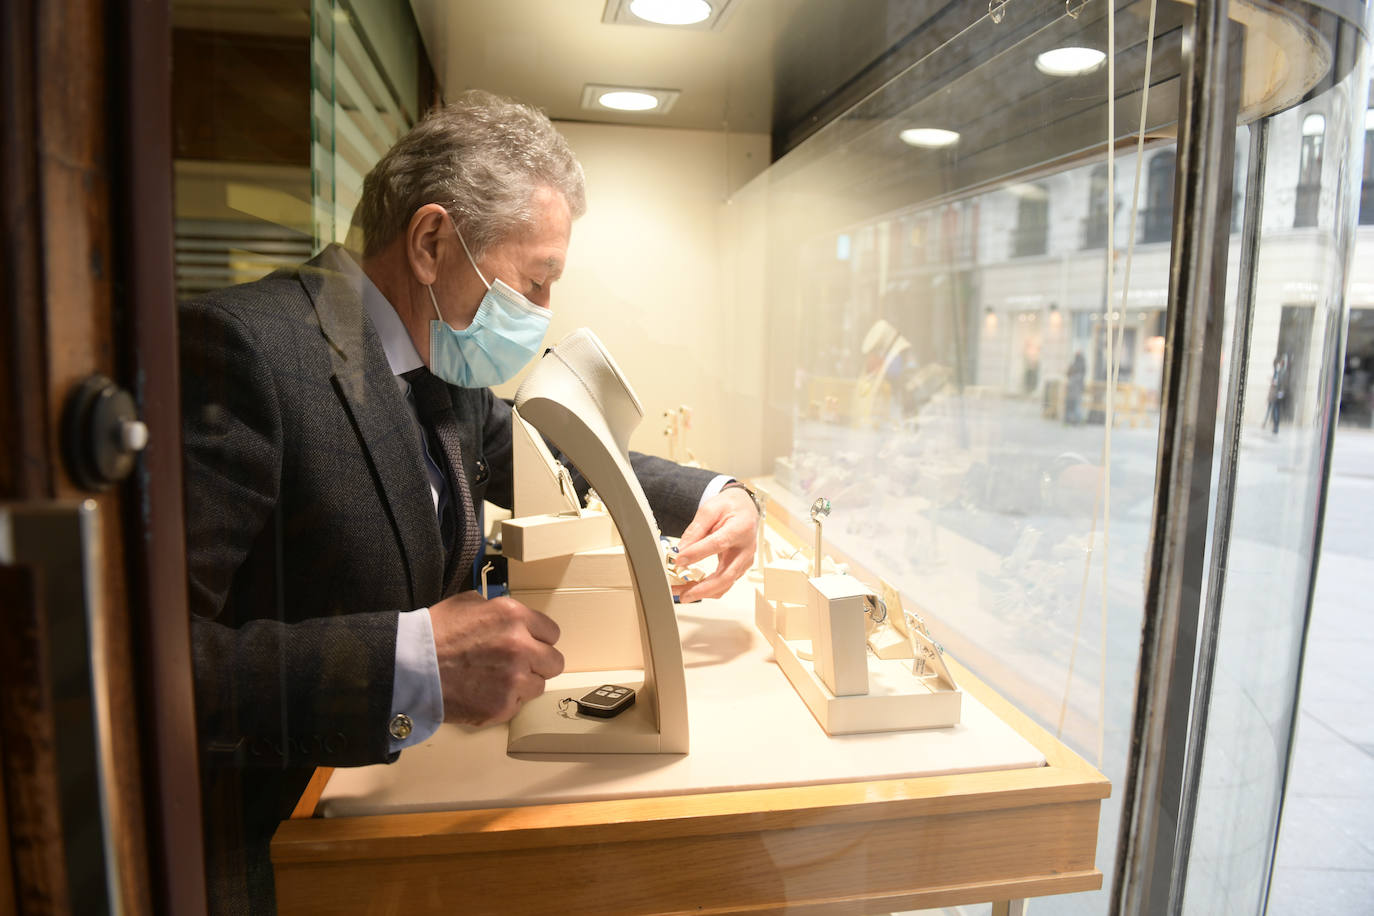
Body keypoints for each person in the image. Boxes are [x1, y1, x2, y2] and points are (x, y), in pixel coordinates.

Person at [180, 90, 760, 913]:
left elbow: (555, 445)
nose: (543, 312)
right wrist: (413, 662)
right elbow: (140, 663)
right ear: (431, 242)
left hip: (400, 815)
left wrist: (719, 492)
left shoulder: (435, 371)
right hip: (277, 840)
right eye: (536, 280)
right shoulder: (248, 352)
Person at [1264, 353, 1290, 434]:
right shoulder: (1280, 371)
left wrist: (1275, 383)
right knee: (1275, 409)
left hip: (1277, 393)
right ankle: (1275, 426)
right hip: (1277, 393)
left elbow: (1280, 382)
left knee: (1275, 409)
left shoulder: (1281, 372)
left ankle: (1275, 427)